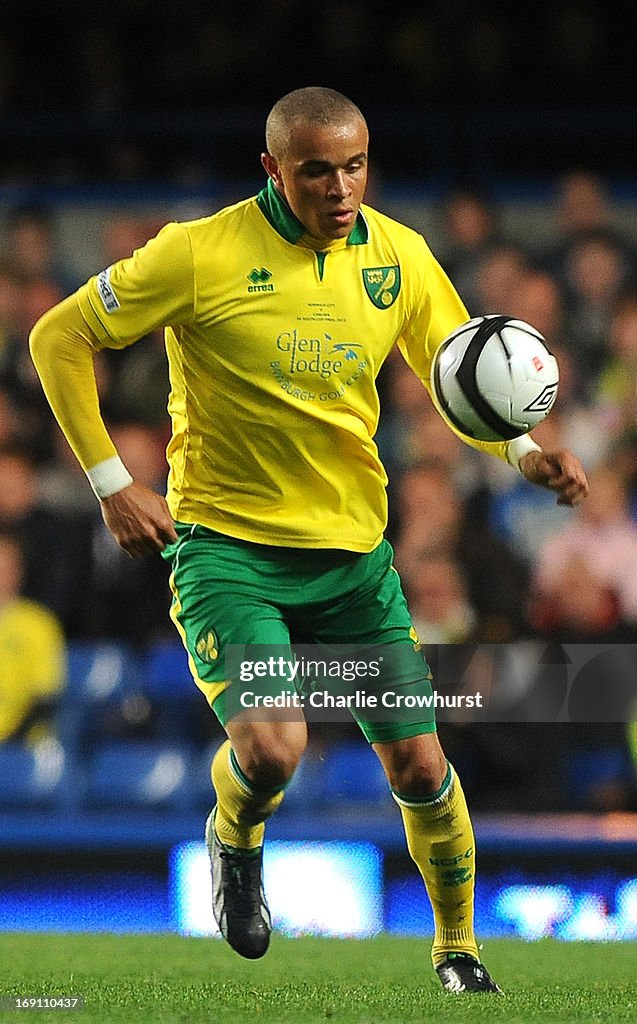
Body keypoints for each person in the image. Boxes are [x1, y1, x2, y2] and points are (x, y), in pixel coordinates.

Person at [29, 86, 588, 994]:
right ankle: (234, 835)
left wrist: (521, 449)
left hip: (353, 563)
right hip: (228, 554)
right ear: (272, 169)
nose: (340, 188)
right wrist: (110, 483)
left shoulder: (397, 255)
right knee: (275, 747)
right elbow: (58, 336)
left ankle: (455, 950)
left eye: (355, 166)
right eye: (317, 170)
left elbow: (463, 375)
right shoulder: (197, 254)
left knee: (419, 760)